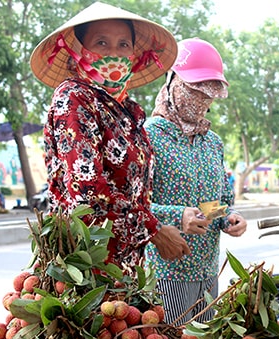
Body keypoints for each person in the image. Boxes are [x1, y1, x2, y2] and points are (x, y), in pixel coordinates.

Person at [29, 2, 189, 276]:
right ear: (78, 50)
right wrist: (155, 231)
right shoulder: (74, 98)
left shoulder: (127, 111)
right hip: (85, 269)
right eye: (101, 42)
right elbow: (87, 191)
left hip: (126, 269)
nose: (114, 53)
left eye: (123, 44)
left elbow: (135, 194)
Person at [145, 38, 247, 325]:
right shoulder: (148, 138)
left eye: (209, 95)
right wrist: (178, 216)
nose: (202, 101)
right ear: (171, 82)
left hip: (207, 274)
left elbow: (216, 204)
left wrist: (228, 217)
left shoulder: (212, 143)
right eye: (194, 91)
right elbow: (131, 207)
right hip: (166, 274)